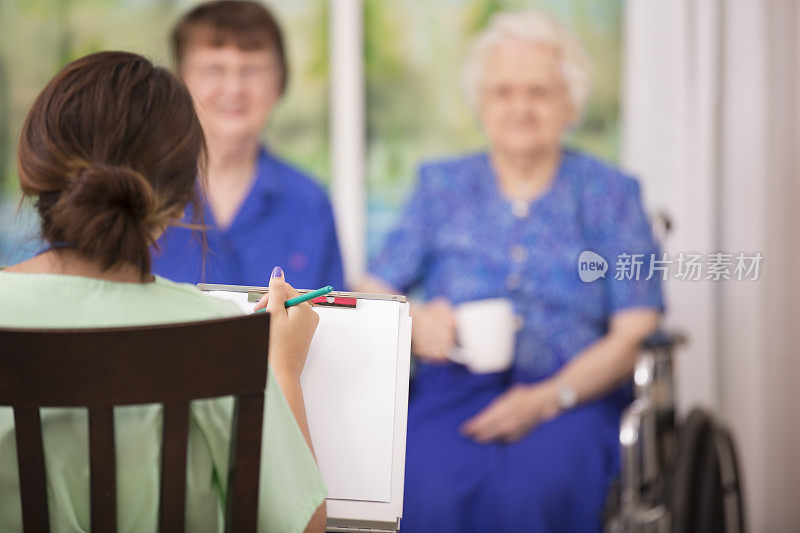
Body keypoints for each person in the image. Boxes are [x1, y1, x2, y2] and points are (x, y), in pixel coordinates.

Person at [360, 11, 664, 533]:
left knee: (537, 492)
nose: (520, 108)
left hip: (573, 395)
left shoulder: (611, 195)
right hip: (453, 389)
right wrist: (415, 321)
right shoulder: (442, 188)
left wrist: (552, 398)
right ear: (481, 104)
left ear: (569, 105)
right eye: (502, 92)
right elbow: (372, 288)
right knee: (428, 484)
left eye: (539, 92)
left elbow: (637, 328)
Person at [0, 51, 326, 533]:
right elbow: (303, 527)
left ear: (33, 169)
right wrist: (281, 369)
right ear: (178, 200)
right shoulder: (221, 336)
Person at [152, 0, 344, 289]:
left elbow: (332, 325)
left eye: (252, 70)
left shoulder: (310, 205)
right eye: (214, 69)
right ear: (180, 80)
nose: (234, 88)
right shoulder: (139, 195)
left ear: (280, 82)